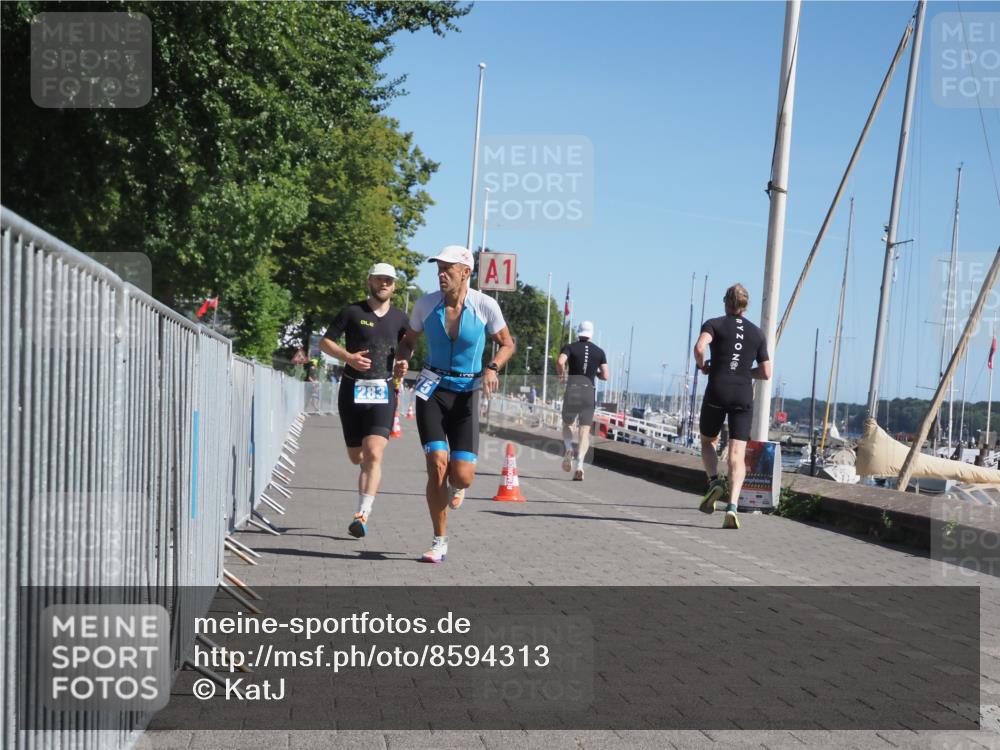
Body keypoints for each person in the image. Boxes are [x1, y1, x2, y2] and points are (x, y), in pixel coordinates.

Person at [396, 245, 515, 563]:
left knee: (462, 475)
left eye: (448, 268)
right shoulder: (425, 304)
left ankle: (456, 487)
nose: (441, 274)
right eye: (438, 268)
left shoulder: (485, 306)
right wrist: (402, 360)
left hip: (466, 392)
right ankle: (439, 541)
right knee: (437, 463)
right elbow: (408, 341)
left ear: (466, 272)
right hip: (431, 390)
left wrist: (492, 368)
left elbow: (506, 343)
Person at [320, 263, 409, 539]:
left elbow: (407, 349)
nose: (384, 284)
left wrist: (404, 364)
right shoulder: (352, 312)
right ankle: (365, 469)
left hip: (383, 393)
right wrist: (348, 357)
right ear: (369, 281)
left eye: (389, 281)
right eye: (380, 279)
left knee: (374, 454)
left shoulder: (401, 319)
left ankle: (362, 514)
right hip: (352, 390)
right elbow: (325, 343)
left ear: (395, 286)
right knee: (356, 456)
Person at [693, 283, 771, 529]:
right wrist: (745, 371)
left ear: (726, 302)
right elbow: (767, 372)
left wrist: (703, 364)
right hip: (742, 394)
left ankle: (714, 481)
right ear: (746, 306)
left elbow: (699, 347)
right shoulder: (757, 333)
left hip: (717, 389)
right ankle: (733, 506)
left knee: (708, 440)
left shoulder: (714, 324)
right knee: (737, 456)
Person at [556, 321, 609, 481]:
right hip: (588, 391)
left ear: (579, 332)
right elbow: (606, 375)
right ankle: (579, 466)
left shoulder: (570, 347)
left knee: (568, 424)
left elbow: (560, 361)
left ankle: (568, 448)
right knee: (584, 431)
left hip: (573, 389)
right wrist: (596, 373)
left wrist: (562, 376)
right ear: (592, 333)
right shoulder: (599, 352)